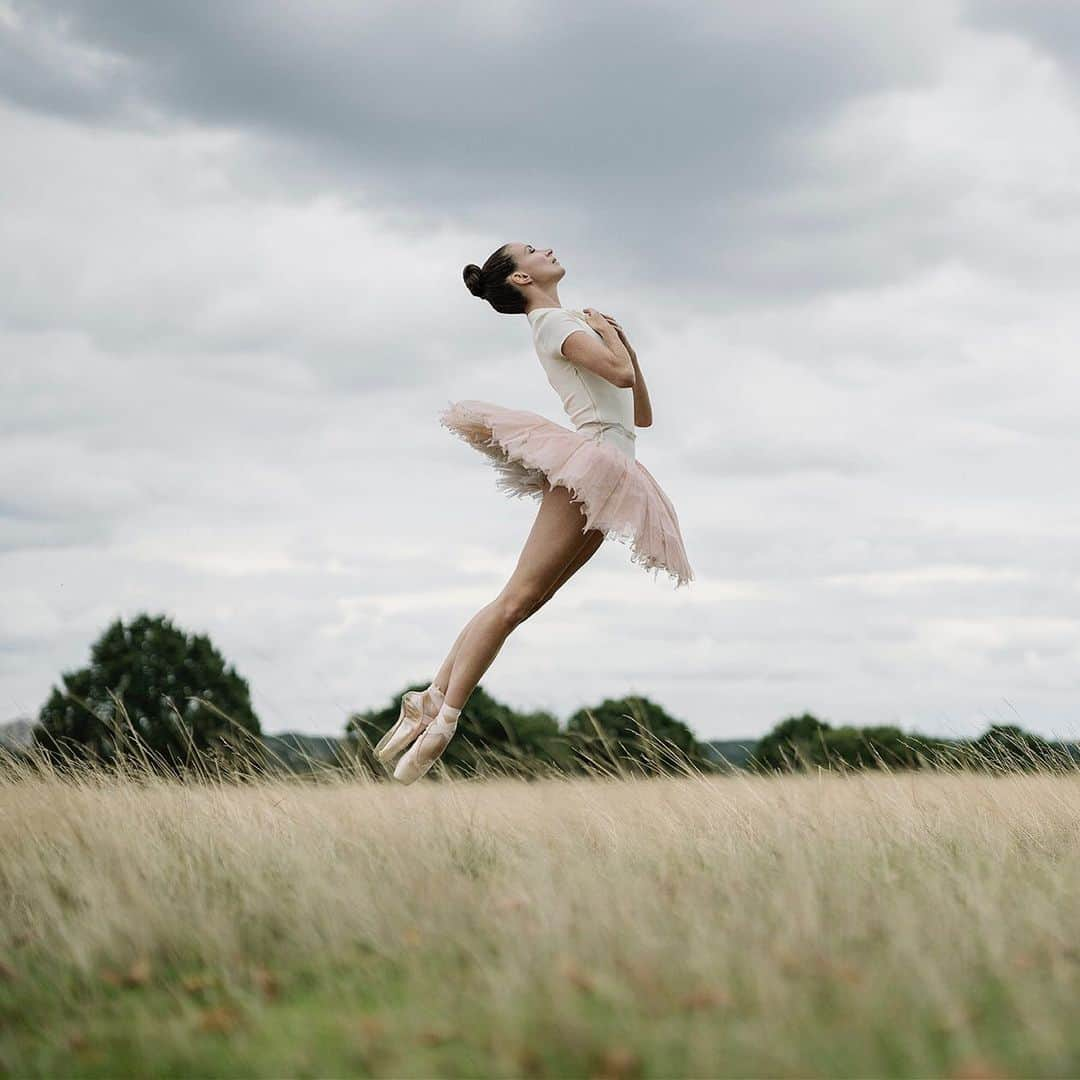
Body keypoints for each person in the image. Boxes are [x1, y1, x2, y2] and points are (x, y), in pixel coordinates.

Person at [376, 242, 694, 784]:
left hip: (617, 469)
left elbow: (640, 412)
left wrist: (629, 349)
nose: (547, 249)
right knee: (516, 599)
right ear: (522, 277)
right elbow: (615, 378)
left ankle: (429, 699)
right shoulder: (552, 323)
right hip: (590, 464)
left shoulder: (570, 322)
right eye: (532, 251)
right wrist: (614, 341)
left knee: (525, 603)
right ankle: (443, 719)